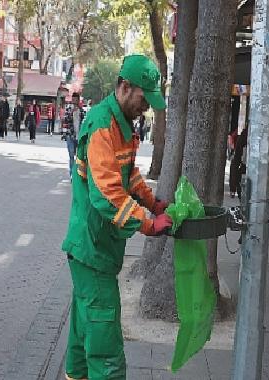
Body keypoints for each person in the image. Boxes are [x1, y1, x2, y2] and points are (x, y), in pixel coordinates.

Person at [61, 55, 173, 380]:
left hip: (95, 249)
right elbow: (108, 195)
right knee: (105, 341)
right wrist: (149, 224)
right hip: (92, 250)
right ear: (125, 87)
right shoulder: (101, 127)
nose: (146, 108)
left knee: (84, 327)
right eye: (143, 99)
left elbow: (128, 175)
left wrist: (154, 203)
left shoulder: (121, 126)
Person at [63, 93, 85, 177]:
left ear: (78, 100)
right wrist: (71, 113)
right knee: (71, 155)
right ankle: (72, 174)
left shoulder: (81, 110)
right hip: (70, 136)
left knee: (79, 157)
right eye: (73, 99)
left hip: (79, 137)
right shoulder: (68, 109)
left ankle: (78, 174)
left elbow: (84, 122)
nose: (74, 101)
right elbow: (65, 120)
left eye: (76, 99)